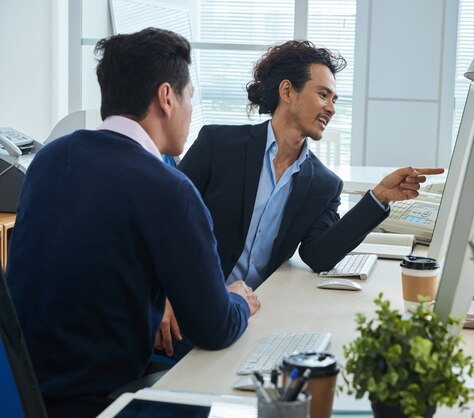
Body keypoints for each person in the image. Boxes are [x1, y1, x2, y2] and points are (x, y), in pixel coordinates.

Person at [6, 27, 260, 418]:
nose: (192, 109)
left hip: (22, 395)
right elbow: (215, 327)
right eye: (190, 96)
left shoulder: (50, 159)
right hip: (102, 403)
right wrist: (239, 301)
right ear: (166, 97)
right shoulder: (169, 188)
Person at [161, 40, 442, 356]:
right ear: (287, 92)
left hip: (246, 316)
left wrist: (378, 197)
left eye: (334, 99)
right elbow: (165, 222)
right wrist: (162, 296)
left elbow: (317, 256)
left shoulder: (323, 183)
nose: (331, 108)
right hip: (185, 311)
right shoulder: (218, 144)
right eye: (323, 94)